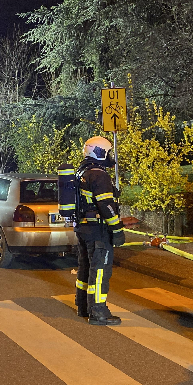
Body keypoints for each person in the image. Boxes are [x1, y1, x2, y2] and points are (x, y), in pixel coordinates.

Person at [74, 136, 126, 325]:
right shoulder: (98, 175)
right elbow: (106, 205)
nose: (110, 156)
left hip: (83, 228)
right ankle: (98, 312)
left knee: (85, 269)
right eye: (108, 152)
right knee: (100, 271)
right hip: (98, 230)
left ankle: (83, 306)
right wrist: (117, 229)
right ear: (100, 152)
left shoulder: (82, 171)